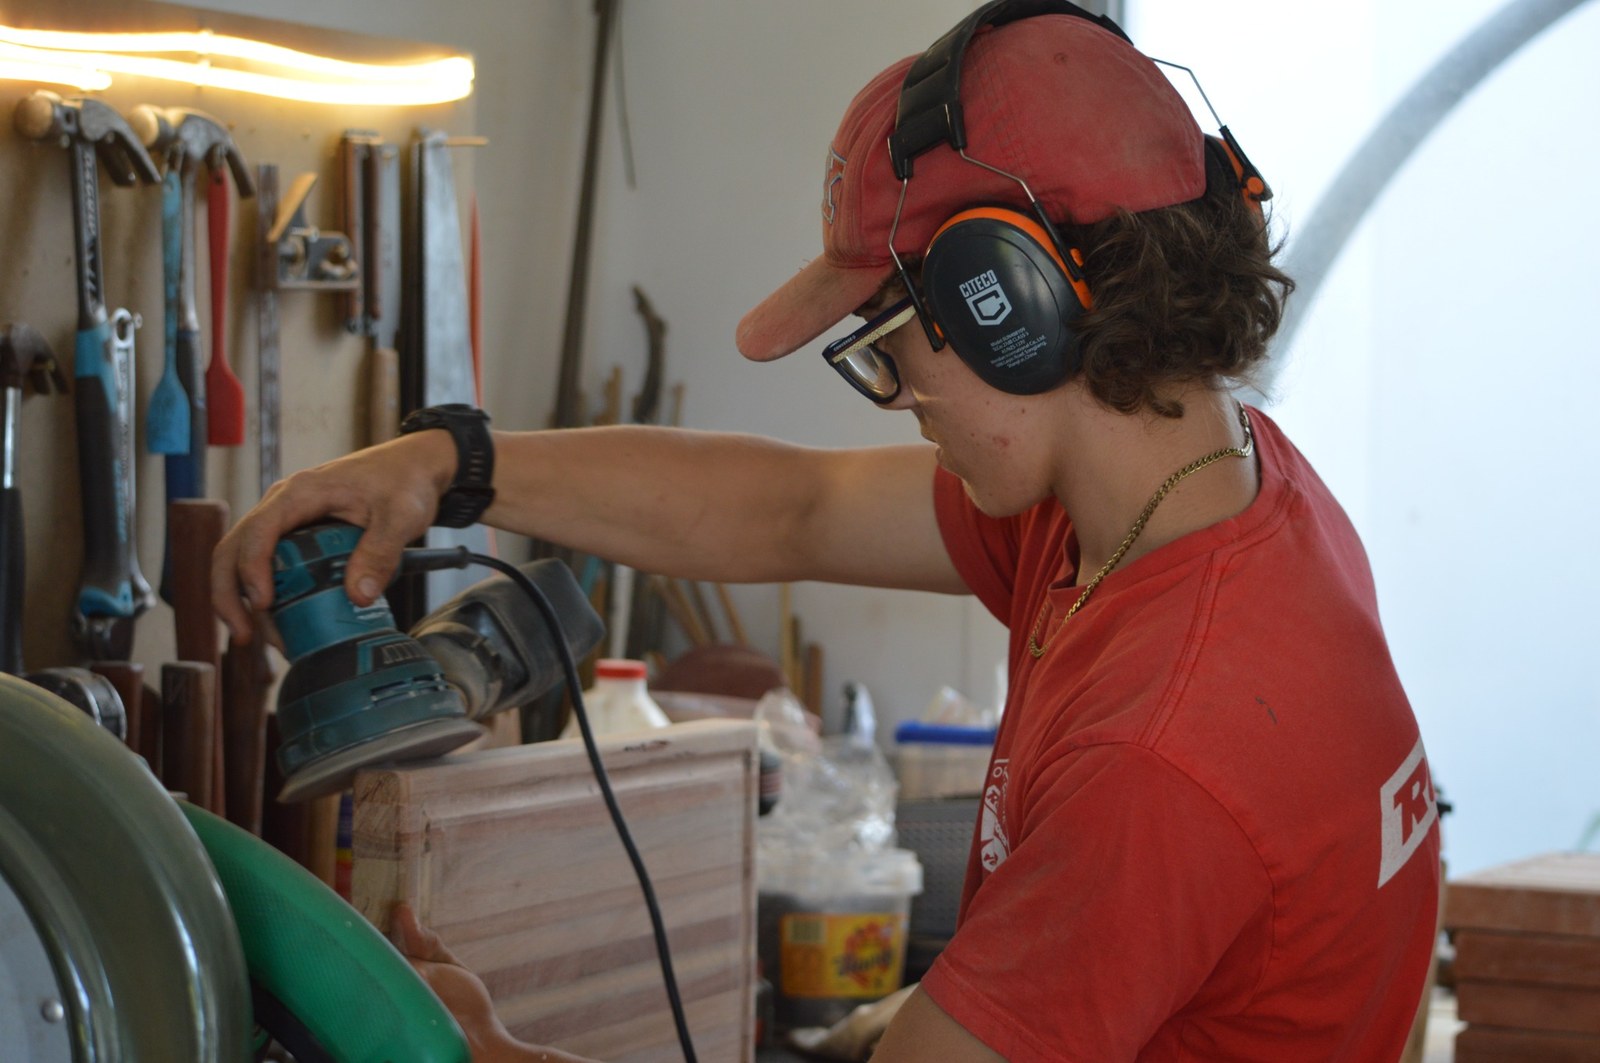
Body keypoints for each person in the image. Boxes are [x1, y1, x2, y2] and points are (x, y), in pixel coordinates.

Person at [213, 3, 1442, 1060]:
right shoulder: (1200, 495)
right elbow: (787, 506)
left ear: (1001, 306)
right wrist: (449, 464)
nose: (895, 396)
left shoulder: (1163, 754)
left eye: (884, 347)